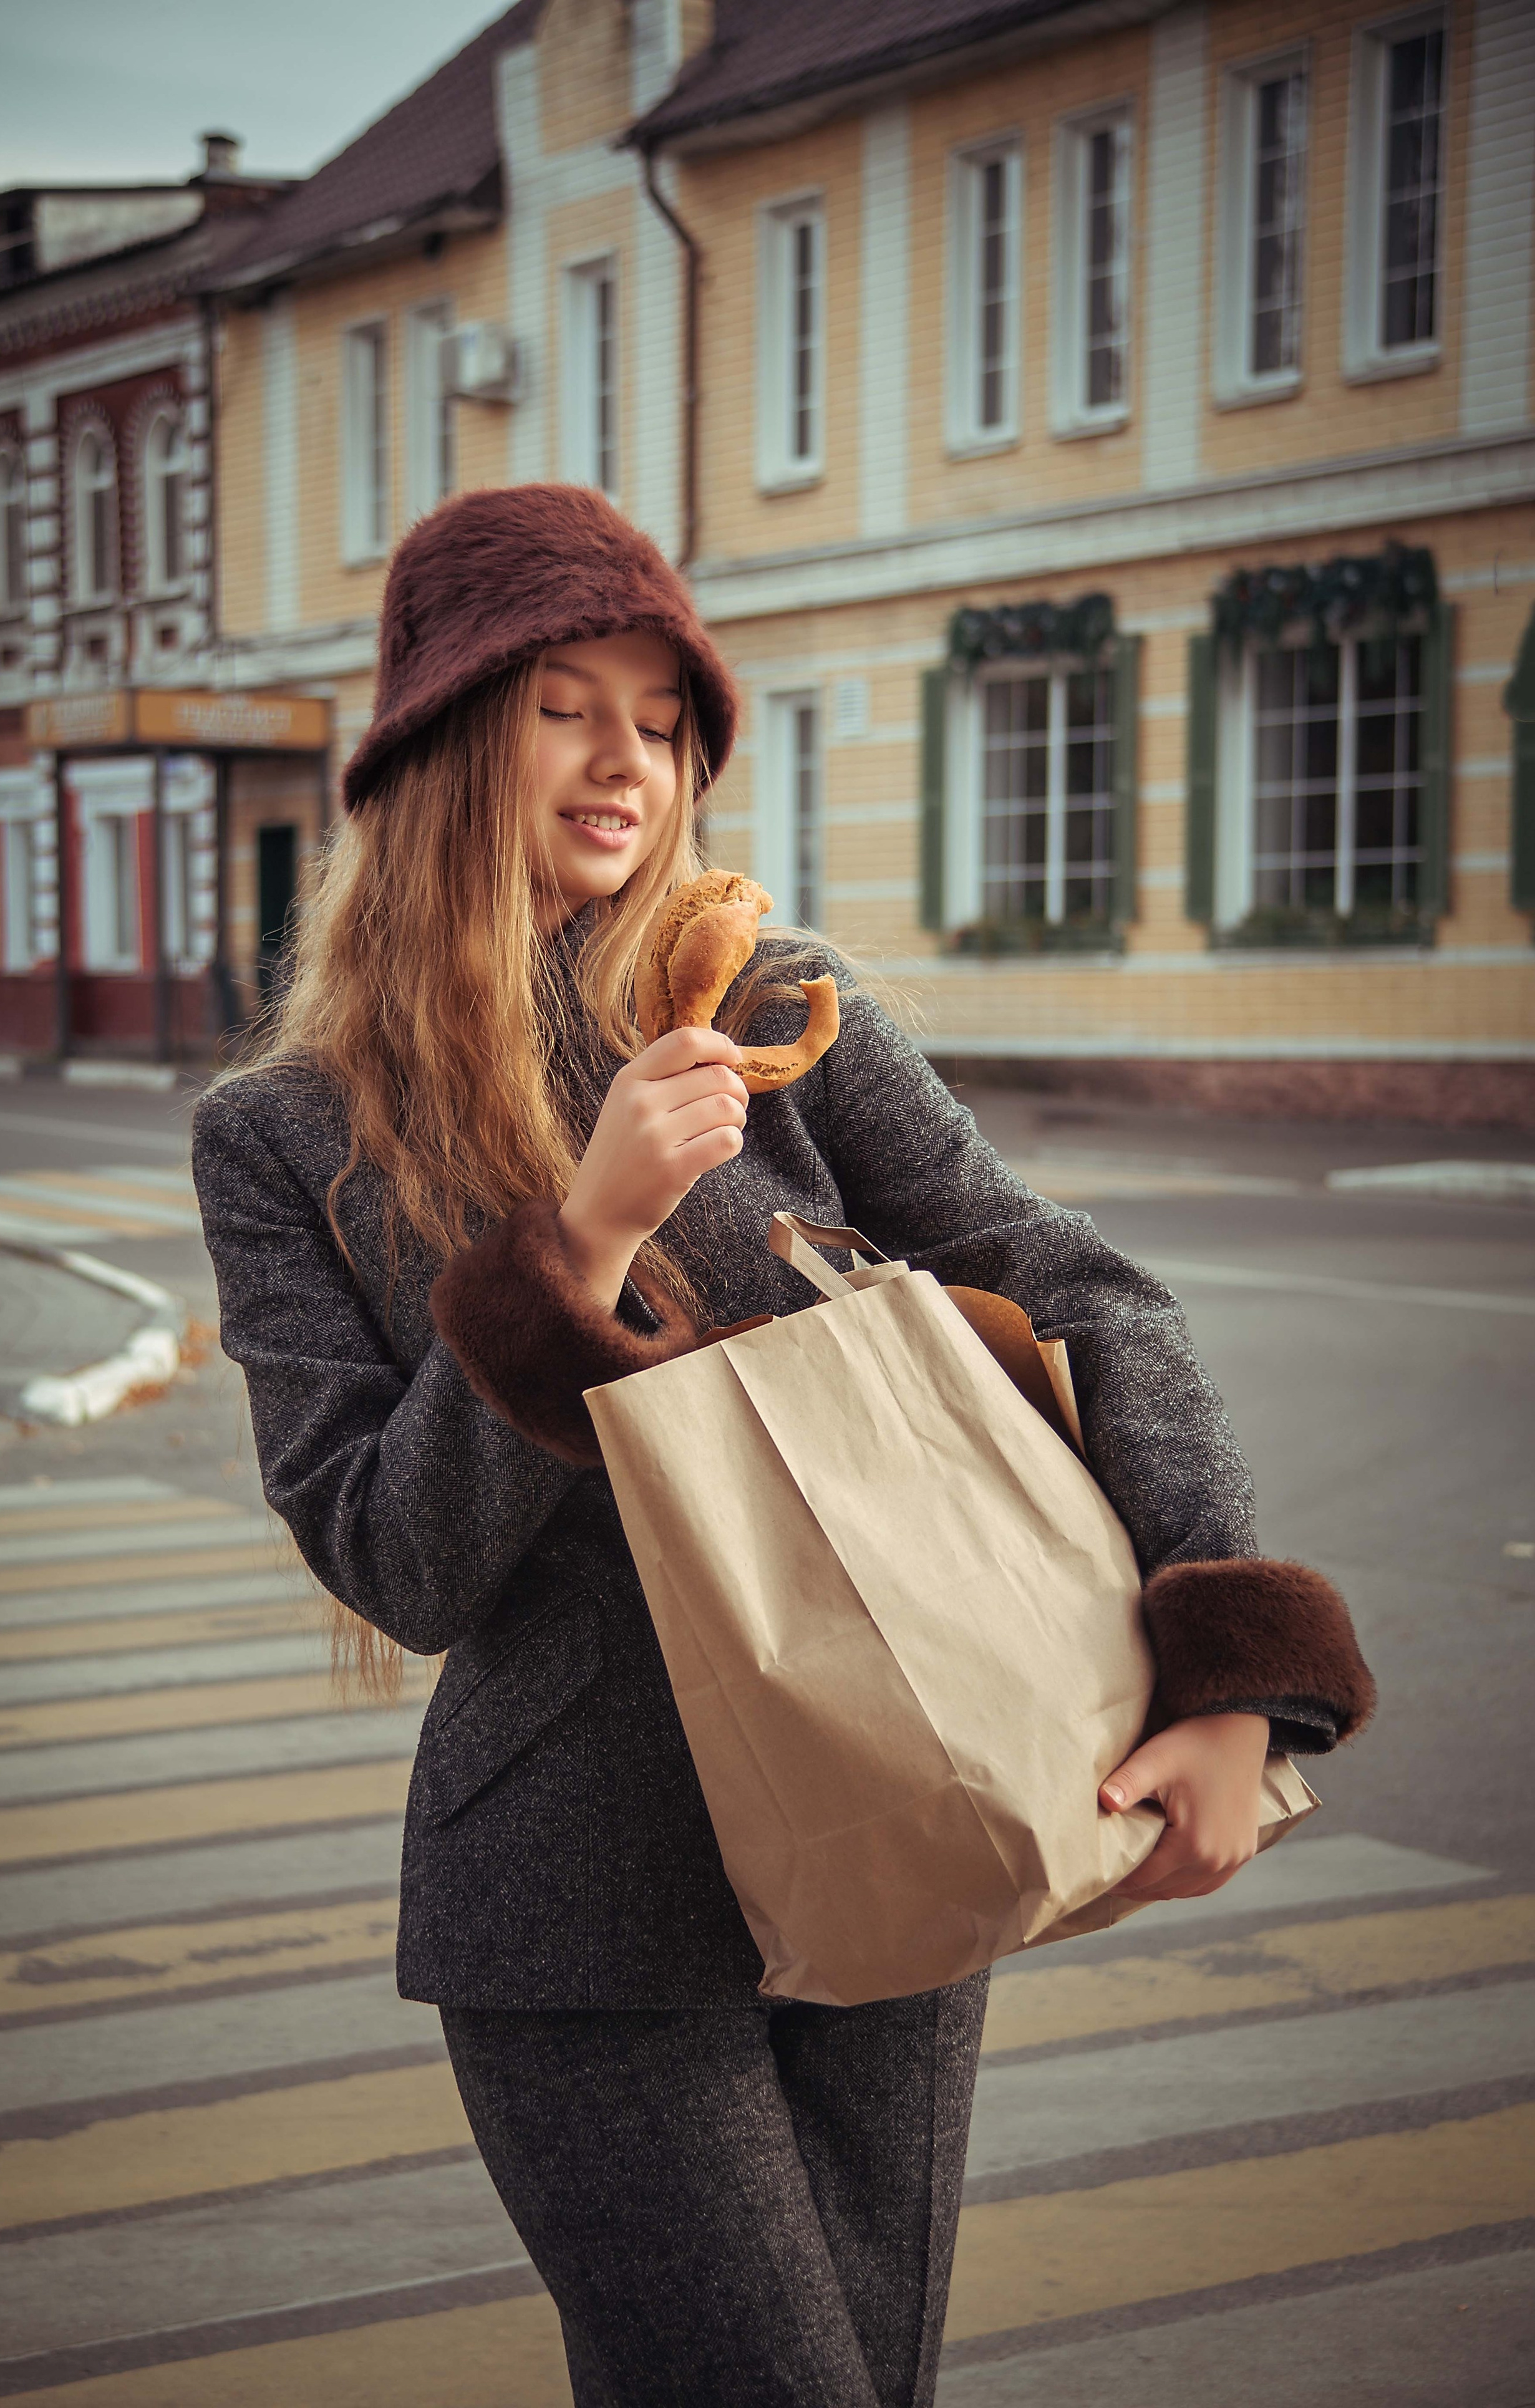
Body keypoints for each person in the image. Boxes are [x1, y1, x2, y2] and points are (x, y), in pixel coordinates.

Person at [192, 483, 1375, 2408]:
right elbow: (390, 1564)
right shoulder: (288, 1135)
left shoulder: (776, 1007)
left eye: (663, 721)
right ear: (435, 744)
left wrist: (1239, 1675)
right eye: (563, 703)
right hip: (580, 1897)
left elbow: (1082, 1289)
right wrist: (577, 1240)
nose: (624, 763)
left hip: (901, 1819)